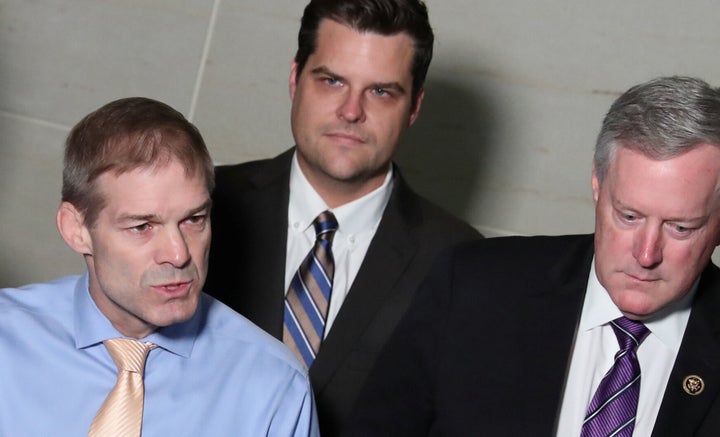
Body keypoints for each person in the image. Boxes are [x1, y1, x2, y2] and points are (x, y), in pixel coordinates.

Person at [346, 76, 720, 436]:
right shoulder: (471, 288)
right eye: (629, 216)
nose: (646, 253)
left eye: (680, 228)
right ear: (597, 185)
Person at [203, 0, 481, 434]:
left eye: (381, 91)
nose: (351, 111)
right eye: (332, 81)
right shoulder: (204, 206)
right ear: (295, 79)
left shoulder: (463, 265)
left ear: (414, 107)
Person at [0, 97, 319, 436]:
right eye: (142, 227)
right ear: (76, 230)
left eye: (194, 219)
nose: (179, 254)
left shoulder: (275, 388)